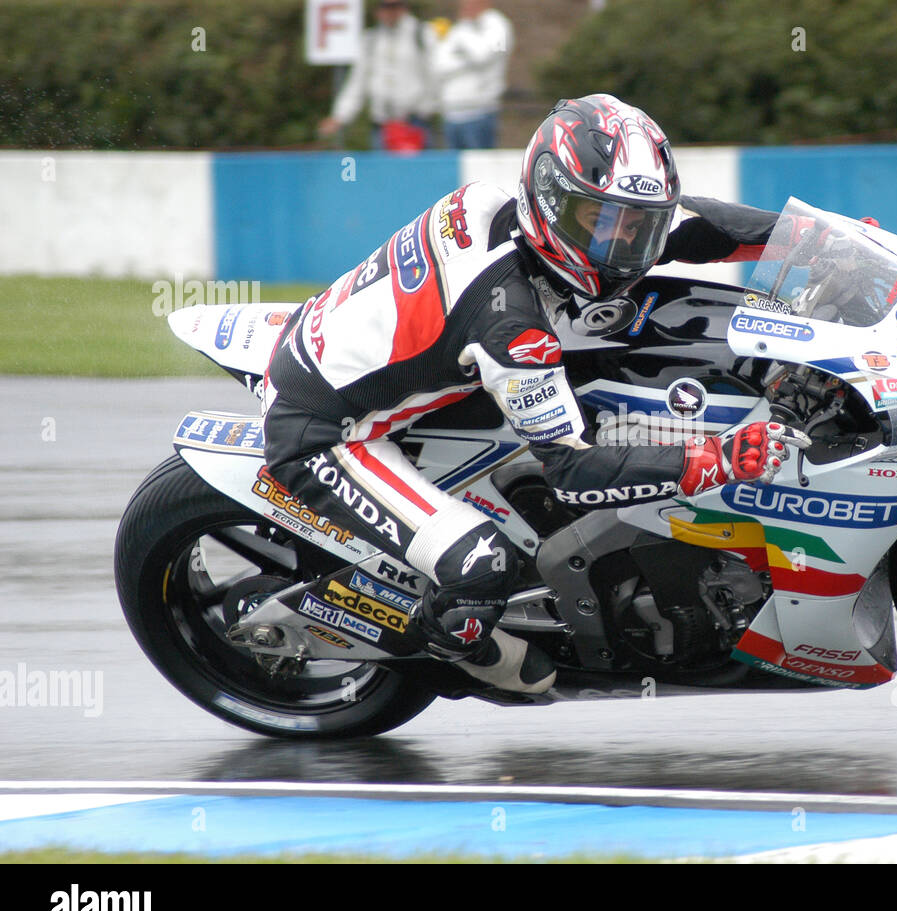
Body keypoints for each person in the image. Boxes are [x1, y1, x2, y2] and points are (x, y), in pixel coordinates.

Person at [262, 94, 808, 695]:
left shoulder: (525, 211)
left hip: (385, 348)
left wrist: (817, 242)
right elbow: (573, 471)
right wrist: (713, 460)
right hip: (327, 433)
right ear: (550, 203)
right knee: (480, 566)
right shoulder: (512, 325)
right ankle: (448, 641)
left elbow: (699, 227)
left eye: (637, 223)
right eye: (601, 222)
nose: (621, 244)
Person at [318, 0, 436, 151]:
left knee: (419, 172)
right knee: (383, 172)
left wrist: (430, 107)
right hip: (382, 125)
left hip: (415, 123)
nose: (390, 12)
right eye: (385, 7)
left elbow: (435, 75)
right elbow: (357, 83)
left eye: (394, 6)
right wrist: (340, 116)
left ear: (403, 8)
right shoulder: (371, 40)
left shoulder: (421, 34)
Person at [429, 0, 513, 148]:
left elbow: (483, 55)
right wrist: (466, 60)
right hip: (451, 113)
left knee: (481, 169)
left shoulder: (499, 25)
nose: (465, 5)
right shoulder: (460, 28)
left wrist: (462, 45)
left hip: (480, 112)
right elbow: (439, 65)